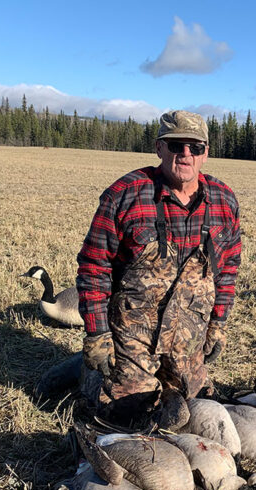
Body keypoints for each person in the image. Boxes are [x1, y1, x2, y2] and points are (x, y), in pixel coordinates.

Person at [76, 110, 241, 427]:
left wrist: (218, 322)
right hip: (134, 332)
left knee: (192, 410)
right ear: (159, 148)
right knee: (125, 411)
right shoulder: (125, 195)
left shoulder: (224, 200)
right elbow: (94, 267)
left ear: (206, 153)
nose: (186, 154)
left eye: (195, 147)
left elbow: (229, 267)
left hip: (189, 333)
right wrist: (97, 333)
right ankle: (86, 371)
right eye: (176, 145)